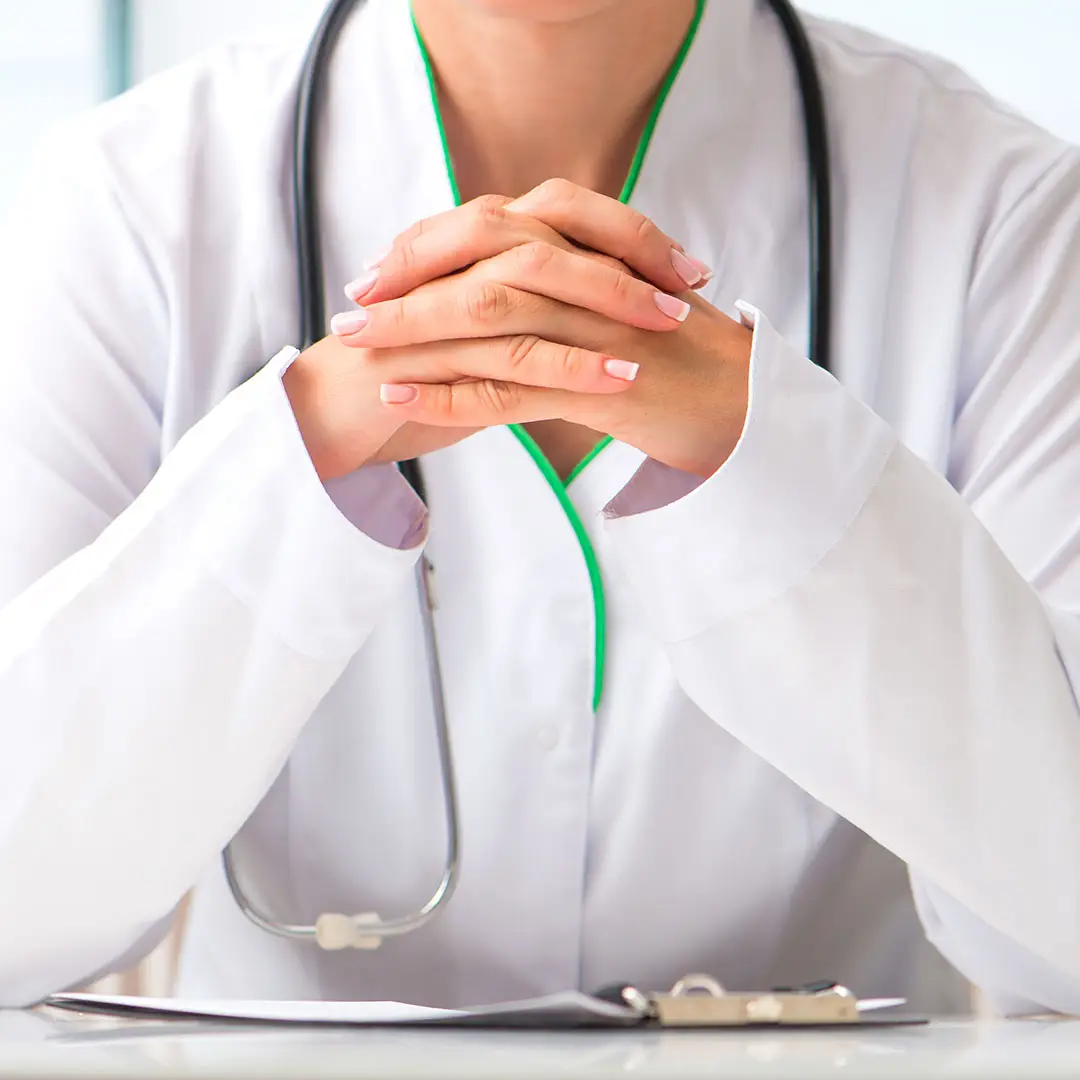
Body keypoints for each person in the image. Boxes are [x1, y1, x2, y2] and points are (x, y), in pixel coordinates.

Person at [1, 0, 1079, 1016]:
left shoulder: (1007, 211)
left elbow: (1061, 929)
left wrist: (763, 445)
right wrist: (303, 444)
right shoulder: (125, 202)